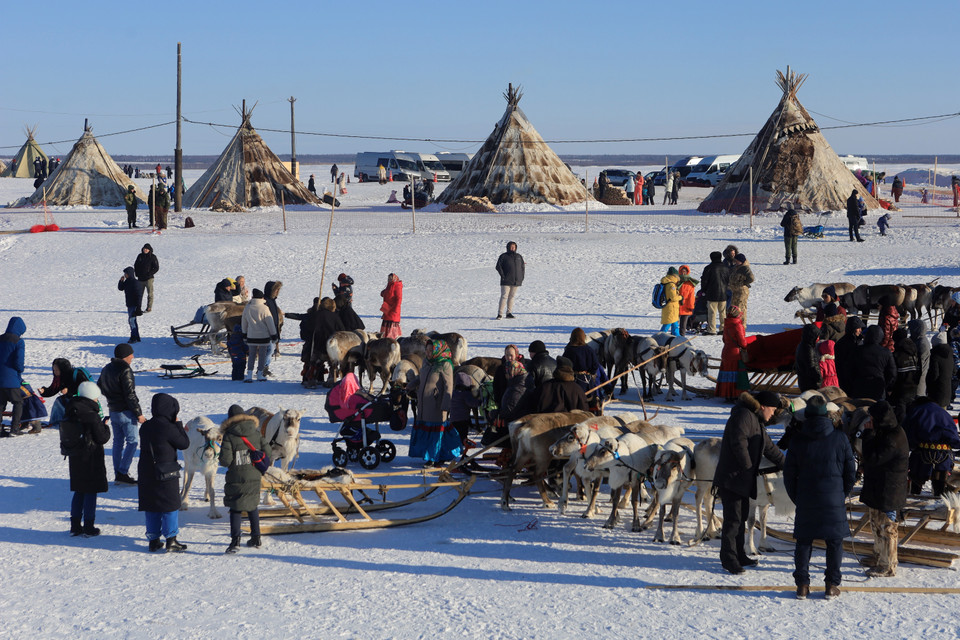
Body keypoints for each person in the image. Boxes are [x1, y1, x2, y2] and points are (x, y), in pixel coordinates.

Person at [784, 395, 856, 599]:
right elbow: (851, 472)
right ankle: (831, 585)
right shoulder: (840, 438)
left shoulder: (797, 440)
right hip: (833, 498)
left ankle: (802, 586)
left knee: (804, 542)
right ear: (827, 415)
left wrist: (797, 497)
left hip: (806, 497)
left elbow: (789, 474)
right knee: (834, 542)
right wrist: (841, 494)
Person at [713, 390, 785, 575]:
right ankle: (729, 559)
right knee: (733, 520)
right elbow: (739, 442)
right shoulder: (744, 416)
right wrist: (748, 467)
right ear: (762, 407)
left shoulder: (757, 421)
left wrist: (787, 465)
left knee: (741, 517)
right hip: (733, 477)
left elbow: (769, 448)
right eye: (772, 410)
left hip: (743, 479)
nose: (773, 414)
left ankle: (739, 554)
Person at [858, 400, 909, 577]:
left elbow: (873, 457)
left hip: (890, 490)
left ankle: (888, 565)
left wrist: (868, 434)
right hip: (879, 486)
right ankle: (879, 557)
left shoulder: (893, 437)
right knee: (875, 525)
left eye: (872, 418)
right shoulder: (886, 432)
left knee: (887, 528)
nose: (870, 421)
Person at [138, 392, 189, 553]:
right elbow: (184, 444)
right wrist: (179, 425)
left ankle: (153, 540)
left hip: (146, 470)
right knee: (170, 505)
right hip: (166, 471)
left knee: (152, 505)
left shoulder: (146, 426)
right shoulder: (169, 427)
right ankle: (171, 540)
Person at [63, 382, 111, 537]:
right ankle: (89, 526)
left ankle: (75, 525)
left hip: (75, 456)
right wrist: (106, 427)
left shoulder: (71, 409)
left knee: (79, 490)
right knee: (91, 491)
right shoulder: (91, 415)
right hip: (90, 457)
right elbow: (102, 438)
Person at [219, 404, 265, 553]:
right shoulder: (256, 432)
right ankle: (256, 538)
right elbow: (268, 451)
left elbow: (225, 461)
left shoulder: (229, 436)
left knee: (235, 508)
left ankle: (235, 542)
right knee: (252, 506)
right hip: (254, 474)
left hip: (236, 476)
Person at [97, 343, 145, 484]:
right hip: (126, 412)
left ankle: (118, 472)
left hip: (113, 411)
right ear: (125, 356)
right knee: (132, 442)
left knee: (118, 443)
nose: (133, 357)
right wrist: (139, 414)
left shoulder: (107, 368)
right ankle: (123, 472)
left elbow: (100, 386)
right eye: (131, 355)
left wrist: (112, 399)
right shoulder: (126, 370)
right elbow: (130, 395)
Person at [408, 340, 460, 465]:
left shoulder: (444, 365)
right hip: (423, 404)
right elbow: (421, 378)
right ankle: (435, 455)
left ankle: (432, 458)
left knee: (436, 433)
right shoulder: (426, 362)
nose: (428, 352)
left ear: (438, 351)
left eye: (431, 350)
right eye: (427, 350)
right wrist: (411, 384)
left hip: (437, 405)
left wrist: (445, 405)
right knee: (426, 430)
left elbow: (449, 386)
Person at [903, 396, 960, 496]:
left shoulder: (916, 411)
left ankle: (914, 494)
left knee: (916, 479)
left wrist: (912, 446)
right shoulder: (944, 413)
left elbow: (907, 434)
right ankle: (940, 496)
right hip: (944, 455)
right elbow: (954, 439)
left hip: (921, 457)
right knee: (940, 483)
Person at [39, 358, 90, 429]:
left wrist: (69, 390)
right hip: (71, 398)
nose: (55, 372)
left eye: (57, 370)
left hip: (83, 400)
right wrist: (44, 391)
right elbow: (53, 389)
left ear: (63, 369)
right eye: (54, 370)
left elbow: (85, 387)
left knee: (67, 403)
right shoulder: (59, 378)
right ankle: (58, 422)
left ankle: (73, 423)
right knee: (59, 401)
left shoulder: (77, 374)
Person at [849, 325, 897, 401]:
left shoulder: (857, 350)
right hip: (878, 388)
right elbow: (892, 373)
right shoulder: (886, 352)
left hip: (859, 388)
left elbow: (849, 370)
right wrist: (885, 385)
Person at [240, 289, 277, 383]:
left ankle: (249, 374)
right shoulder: (264, 308)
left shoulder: (247, 307)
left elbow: (244, 322)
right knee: (262, 355)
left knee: (251, 355)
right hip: (263, 336)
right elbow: (270, 323)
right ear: (261, 297)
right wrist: (274, 335)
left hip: (251, 335)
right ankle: (260, 373)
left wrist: (244, 333)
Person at [715, 306, 751, 400]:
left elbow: (724, 339)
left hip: (726, 351)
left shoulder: (727, 324)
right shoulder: (737, 325)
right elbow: (742, 342)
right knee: (737, 375)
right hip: (735, 354)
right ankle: (736, 395)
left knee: (728, 374)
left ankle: (727, 394)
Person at [0, 317, 26, 438]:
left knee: (0, 404)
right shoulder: (19, 341)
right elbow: (18, 361)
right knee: (18, 402)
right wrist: (20, 370)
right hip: (11, 379)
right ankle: (14, 428)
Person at [311, 298, 345, 386]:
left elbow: (311, 326)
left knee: (317, 362)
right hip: (331, 343)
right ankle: (331, 380)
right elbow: (342, 329)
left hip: (319, 341)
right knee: (332, 363)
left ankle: (312, 379)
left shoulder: (317, 314)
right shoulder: (334, 316)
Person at [890, 328, 920, 423]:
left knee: (901, 419)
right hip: (913, 388)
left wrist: (890, 389)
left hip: (900, 390)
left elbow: (893, 375)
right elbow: (920, 370)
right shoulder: (914, 351)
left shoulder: (897, 354)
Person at [562, 328, 601, 396]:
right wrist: (590, 373)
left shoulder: (569, 350)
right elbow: (595, 365)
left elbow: (563, 365)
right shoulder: (589, 350)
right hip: (587, 381)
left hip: (572, 382)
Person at [700, 251, 729, 335]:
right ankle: (723, 329)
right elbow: (727, 280)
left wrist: (704, 290)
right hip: (723, 293)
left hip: (712, 293)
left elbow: (704, 281)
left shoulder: (708, 268)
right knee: (723, 312)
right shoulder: (725, 268)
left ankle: (712, 329)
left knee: (712, 312)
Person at [835, 316, 865, 393]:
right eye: (858, 328)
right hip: (847, 380)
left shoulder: (861, 341)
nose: (860, 330)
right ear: (852, 328)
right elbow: (839, 366)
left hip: (860, 379)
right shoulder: (841, 344)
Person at [495, 241, 525, 320]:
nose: (512, 248)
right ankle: (500, 314)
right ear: (508, 247)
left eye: (514, 247)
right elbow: (498, 266)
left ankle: (509, 313)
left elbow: (522, 268)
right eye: (511, 247)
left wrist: (521, 277)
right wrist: (503, 276)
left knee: (512, 297)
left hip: (516, 280)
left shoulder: (519, 256)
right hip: (506, 280)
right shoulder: (503, 256)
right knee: (504, 296)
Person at [926, 332, 955, 409]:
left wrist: (927, 382)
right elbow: (954, 371)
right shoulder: (950, 355)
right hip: (947, 390)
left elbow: (934, 375)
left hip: (936, 392)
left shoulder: (935, 356)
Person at [728, 254, 754, 330]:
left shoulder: (745, 268)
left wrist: (743, 283)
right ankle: (735, 324)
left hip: (741, 292)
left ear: (741, 261)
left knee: (741, 308)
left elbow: (751, 278)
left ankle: (742, 325)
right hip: (735, 291)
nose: (735, 262)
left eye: (737, 261)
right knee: (734, 308)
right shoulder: (736, 267)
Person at [118, 267, 144, 343]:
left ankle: (134, 337)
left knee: (132, 321)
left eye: (126, 274)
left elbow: (139, 296)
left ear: (129, 274)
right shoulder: (127, 282)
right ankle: (137, 337)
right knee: (132, 321)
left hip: (134, 305)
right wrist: (121, 281)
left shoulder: (135, 283)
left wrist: (138, 307)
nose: (125, 275)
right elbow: (120, 288)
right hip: (129, 304)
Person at [794, 324, 822, 392]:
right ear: (812, 336)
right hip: (810, 383)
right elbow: (811, 367)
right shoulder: (808, 349)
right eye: (817, 336)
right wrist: (819, 379)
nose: (818, 338)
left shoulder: (802, 345)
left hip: (804, 381)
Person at [908, 319, 931, 398]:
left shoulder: (922, 344)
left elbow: (921, 366)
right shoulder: (917, 340)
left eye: (911, 329)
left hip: (918, 384)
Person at [134, 244, 159, 313]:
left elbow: (156, 268)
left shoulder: (153, 257)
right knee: (139, 294)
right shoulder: (140, 256)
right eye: (144, 249)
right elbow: (136, 265)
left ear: (149, 250)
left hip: (149, 279)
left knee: (150, 294)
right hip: (140, 278)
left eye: (147, 249)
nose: (145, 250)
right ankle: (137, 308)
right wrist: (136, 273)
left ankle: (149, 307)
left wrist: (149, 273)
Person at [659, 267, 681, 337]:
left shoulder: (666, 283)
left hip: (670, 308)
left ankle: (678, 338)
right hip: (671, 308)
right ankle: (659, 337)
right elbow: (673, 298)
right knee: (666, 326)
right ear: (675, 276)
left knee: (675, 326)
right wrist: (681, 297)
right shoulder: (671, 285)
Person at [677, 265, 699, 336]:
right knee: (674, 324)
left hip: (686, 306)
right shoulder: (677, 281)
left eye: (685, 271)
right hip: (677, 305)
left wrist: (691, 306)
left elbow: (691, 296)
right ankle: (674, 337)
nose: (683, 273)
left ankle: (682, 337)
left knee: (683, 325)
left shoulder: (690, 283)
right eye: (682, 271)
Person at [379, 273, 403, 340]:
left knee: (392, 324)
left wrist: (396, 309)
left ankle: (392, 339)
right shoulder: (389, 285)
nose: (389, 280)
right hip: (387, 309)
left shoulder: (397, 286)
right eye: (388, 278)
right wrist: (383, 293)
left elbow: (399, 298)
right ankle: (385, 339)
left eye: (391, 278)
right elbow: (388, 293)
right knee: (386, 323)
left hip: (393, 310)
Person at [263, 281, 283, 357]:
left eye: (278, 290)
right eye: (276, 290)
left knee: (270, 350)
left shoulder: (273, 300)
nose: (277, 292)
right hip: (267, 330)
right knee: (268, 351)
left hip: (273, 328)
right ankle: (264, 367)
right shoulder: (265, 301)